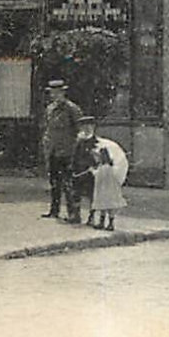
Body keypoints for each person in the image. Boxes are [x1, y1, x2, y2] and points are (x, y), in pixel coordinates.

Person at [39, 79, 82, 222]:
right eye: (52, 93)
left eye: (57, 92)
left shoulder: (72, 109)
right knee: (54, 183)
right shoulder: (50, 109)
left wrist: (76, 149)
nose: (54, 95)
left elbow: (80, 130)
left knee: (69, 184)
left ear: (63, 92)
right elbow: (48, 128)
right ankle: (54, 210)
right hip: (53, 151)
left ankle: (73, 214)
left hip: (67, 152)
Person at [69, 118, 100, 226]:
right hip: (78, 170)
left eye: (89, 126)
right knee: (75, 193)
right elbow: (74, 156)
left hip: (90, 172)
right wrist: (72, 167)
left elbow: (100, 158)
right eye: (84, 126)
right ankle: (76, 215)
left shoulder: (97, 142)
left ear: (93, 127)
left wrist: (94, 167)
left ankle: (91, 217)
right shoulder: (79, 141)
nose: (86, 128)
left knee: (91, 195)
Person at [89, 143, 126, 231]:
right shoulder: (113, 168)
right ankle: (110, 223)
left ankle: (102, 222)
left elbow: (98, 176)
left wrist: (92, 171)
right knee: (110, 207)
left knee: (103, 206)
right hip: (112, 190)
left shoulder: (102, 168)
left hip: (104, 190)